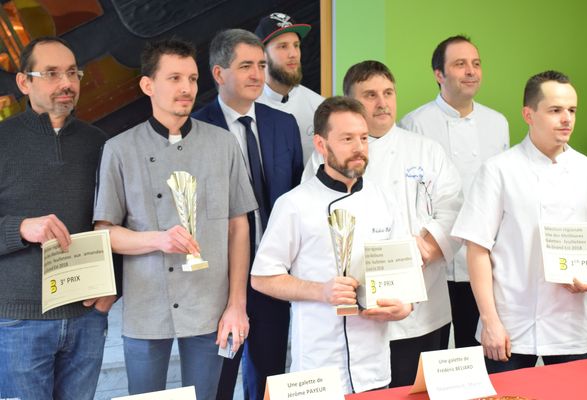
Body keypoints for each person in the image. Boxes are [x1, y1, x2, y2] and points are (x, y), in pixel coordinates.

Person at [93, 38, 257, 400]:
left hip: (210, 306)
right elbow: (105, 233)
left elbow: (238, 226)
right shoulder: (119, 149)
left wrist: (237, 304)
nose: (186, 89)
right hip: (146, 306)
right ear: (147, 85)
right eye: (174, 78)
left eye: (193, 79)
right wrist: (158, 239)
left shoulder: (223, 144)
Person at [251, 96, 413, 394]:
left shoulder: (384, 200)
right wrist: (321, 291)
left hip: (374, 369)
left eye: (363, 138)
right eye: (347, 139)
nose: (359, 148)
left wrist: (403, 307)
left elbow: (404, 280)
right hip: (318, 367)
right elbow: (262, 278)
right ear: (321, 145)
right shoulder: (294, 204)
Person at [452, 70, 587, 373]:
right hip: (509, 325)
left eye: (572, 110)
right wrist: (490, 321)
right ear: (528, 114)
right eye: (555, 110)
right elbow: (477, 249)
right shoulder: (498, 171)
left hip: (569, 326)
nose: (566, 119)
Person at [0, 36, 116, 399]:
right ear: (24, 82)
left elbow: (119, 221)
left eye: (71, 73)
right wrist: (20, 227)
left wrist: (113, 290)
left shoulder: (100, 143)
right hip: (19, 321)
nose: (66, 83)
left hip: (87, 318)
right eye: (50, 73)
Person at [191, 28, 303, 400]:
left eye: (260, 65)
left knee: (270, 376)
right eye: (245, 67)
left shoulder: (282, 124)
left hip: (273, 272)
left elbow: (297, 197)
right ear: (219, 74)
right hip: (219, 278)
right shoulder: (196, 129)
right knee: (220, 377)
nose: (257, 74)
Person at [341, 60, 462, 386]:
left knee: (418, 392)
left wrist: (425, 247)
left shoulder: (426, 150)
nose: (382, 103)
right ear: (351, 102)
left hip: (424, 304)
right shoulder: (333, 154)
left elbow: (454, 209)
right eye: (370, 95)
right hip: (360, 306)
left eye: (388, 93)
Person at [400, 35, 509, 349]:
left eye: (475, 64)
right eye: (460, 64)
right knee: (432, 351)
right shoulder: (415, 124)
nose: (471, 71)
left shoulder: (497, 123)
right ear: (439, 74)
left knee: (477, 351)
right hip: (437, 258)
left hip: (484, 256)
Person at [254, 12, 324, 163]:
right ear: (262, 54)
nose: (293, 54)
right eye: (283, 46)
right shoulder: (248, 108)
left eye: (296, 45)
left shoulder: (319, 106)